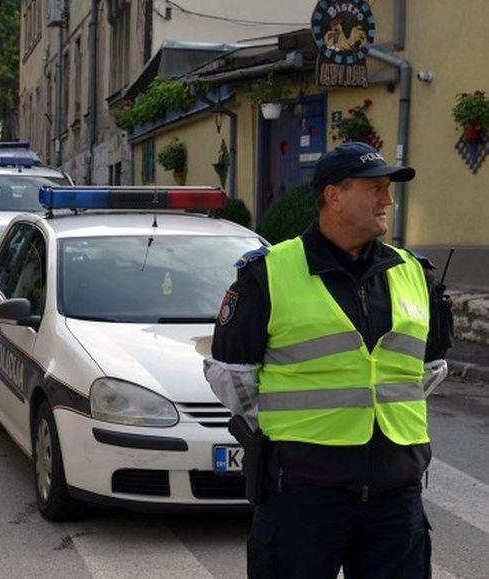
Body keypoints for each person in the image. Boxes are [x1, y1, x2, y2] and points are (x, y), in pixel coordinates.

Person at [205, 142, 454, 578]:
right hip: (302, 494)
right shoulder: (268, 274)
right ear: (334, 197)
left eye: (388, 188)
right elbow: (230, 376)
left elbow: (429, 370)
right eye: (375, 187)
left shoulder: (414, 273)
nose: (388, 199)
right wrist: (296, 432)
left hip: (396, 496)